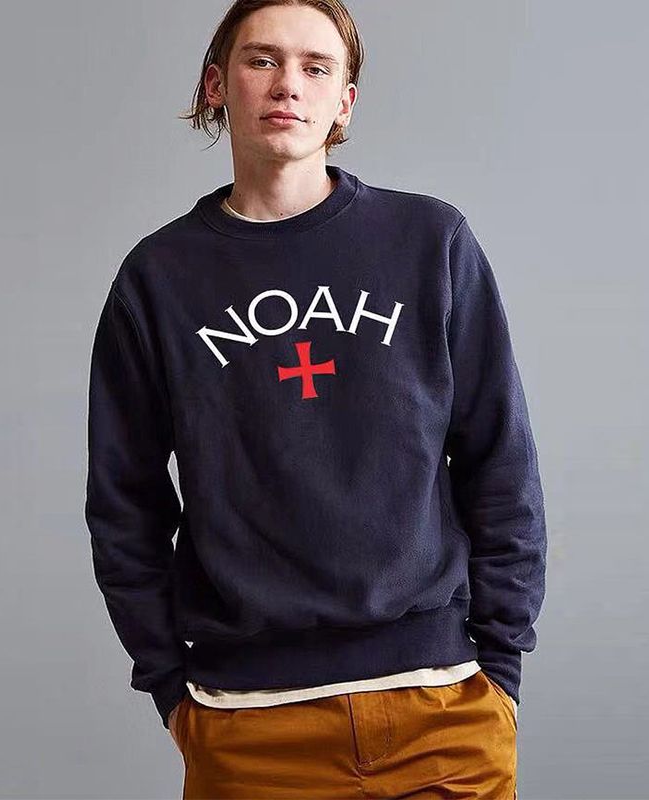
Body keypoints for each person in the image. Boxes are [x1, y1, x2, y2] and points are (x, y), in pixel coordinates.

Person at [84, 1, 547, 797]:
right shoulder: (159, 279)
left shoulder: (429, 243)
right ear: (216, 84)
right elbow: (123, 503)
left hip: (441, 708)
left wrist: (500, 666)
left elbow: (500, 462)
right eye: (262, 60)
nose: (287, 85)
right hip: (249, 726)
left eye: (315, 67)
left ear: (345, 102)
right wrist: (169, 685)